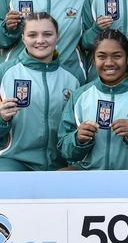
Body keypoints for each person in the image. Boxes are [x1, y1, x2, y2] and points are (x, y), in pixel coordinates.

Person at [58, 29, 128, 170]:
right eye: (101, 56)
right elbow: (64, 150)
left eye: (117, 56)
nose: (109, 63)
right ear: (94, 60)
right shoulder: (80, 96)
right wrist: (78, 139)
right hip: (89, 184)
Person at [0, 13, 81, 171]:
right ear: (23, 38)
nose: (40, 40)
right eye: (32, 35)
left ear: (57, 36)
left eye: (47, 34)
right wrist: (2, 119)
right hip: (13, 161)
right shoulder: (4, 73)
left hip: (58, 165)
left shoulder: (73, 79)